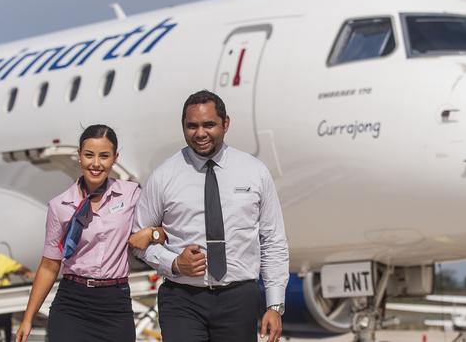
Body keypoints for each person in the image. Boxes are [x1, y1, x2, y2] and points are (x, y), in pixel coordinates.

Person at [133, 89, 289, 342]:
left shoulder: (255, 172)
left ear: (225, 123)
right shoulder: (164, 176)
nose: (200, 133)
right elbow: (138, 241)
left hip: (238, 298)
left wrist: (274, 305)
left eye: (209, 125)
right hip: (182, 299)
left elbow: (273, 240)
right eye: (191, 126)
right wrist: (173, 263)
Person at [15, 124, 163, 342]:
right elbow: (49, 265)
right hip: (72, 302)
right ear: (79, 156)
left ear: (115, 158)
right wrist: (28, 318)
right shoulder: (60, 205)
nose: (96, 163)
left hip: (115, 302)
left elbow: (166, 226)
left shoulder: (131, 194)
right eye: (89, 155)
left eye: (104, 156)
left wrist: (152, 234)